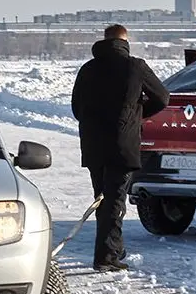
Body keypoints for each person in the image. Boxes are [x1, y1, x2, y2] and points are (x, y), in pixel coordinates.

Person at [71, 24, 170, 271]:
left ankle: (113, 248)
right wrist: (137, 114)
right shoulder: (135, 67)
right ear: (125, 42)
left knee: (102, 199)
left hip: (94, 145)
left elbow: (76, 108)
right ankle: (106, 257)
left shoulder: (88, 69)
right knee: (114, 201)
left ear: (104, 41)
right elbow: (162, 98)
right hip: (123, 144)